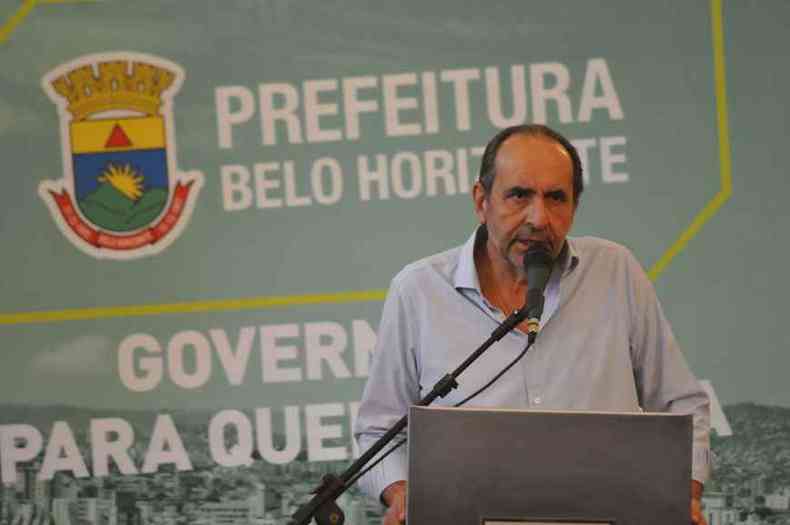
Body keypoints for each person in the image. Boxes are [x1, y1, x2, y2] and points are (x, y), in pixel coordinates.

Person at [353, 124, 711, 525]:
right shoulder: (418, 290)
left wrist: (683, 494)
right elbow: (379, 431)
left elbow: (684, 407)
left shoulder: (616, 272)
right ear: (481, 200)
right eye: (519, 195)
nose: (539, 218)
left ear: (575, 206)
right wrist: (402, 495)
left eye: (556, 198)